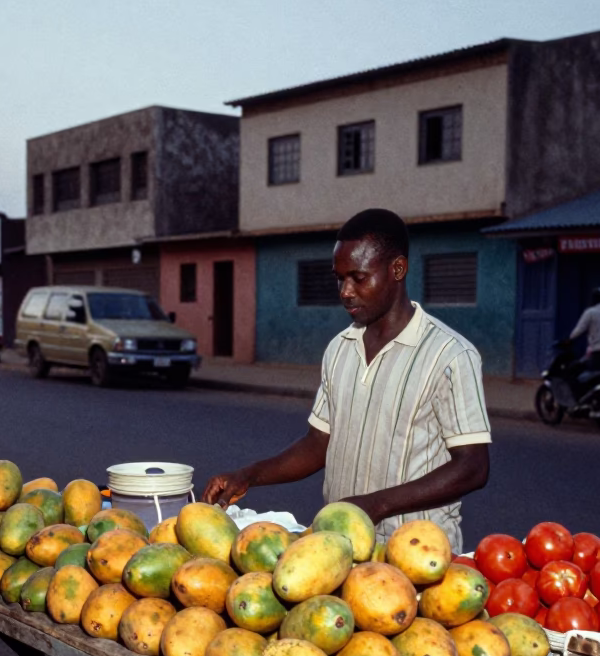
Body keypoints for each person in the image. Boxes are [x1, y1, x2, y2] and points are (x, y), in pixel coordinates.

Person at [203, 208, 491, 552]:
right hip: (342, 547)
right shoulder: (340, 349)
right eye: (339, 278)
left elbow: (472, 467)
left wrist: (376, 505)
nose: (345, 291)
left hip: (417, 552)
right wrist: (248, 475)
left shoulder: (450, 355)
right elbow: (317, 444)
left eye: (358, 277)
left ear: (397, 269)